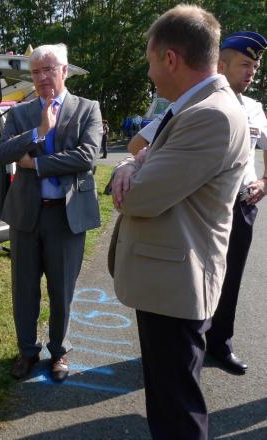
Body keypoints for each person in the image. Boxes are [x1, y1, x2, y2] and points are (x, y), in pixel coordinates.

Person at [109, 5, 250, 439]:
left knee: (177, 413)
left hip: (176, 285)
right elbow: (143, 160)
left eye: (151, 62)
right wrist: (131, 165)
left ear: (171, 58)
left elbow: (141, 196)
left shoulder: (210, 114)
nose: (150, 74)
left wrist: (126, 171)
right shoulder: (197, 107)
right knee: (167, 401)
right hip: (167, 280)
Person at [0, 44, 102, 382]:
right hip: (27, 214)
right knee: (24, 288)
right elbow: (1, 153)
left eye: (48, 70)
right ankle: (27, 351)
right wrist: (38, 132)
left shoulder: (87, 109)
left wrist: (37, 163)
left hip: (66, 217)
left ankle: (59, 352)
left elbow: (86, 156)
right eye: (36, 71)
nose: (41, 77)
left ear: (64, 71)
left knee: (62, 289)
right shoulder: (21, 114)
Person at [205, 31, 266, 375]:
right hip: (205, 206)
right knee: (196, 276)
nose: (252, 71)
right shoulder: (198, 100)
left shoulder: (256, 109)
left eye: (255, 66)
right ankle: (190, 340)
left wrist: (265, 183)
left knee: (231, 278)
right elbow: (144, 143)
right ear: (220, 64)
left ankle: (220, 343)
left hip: (241, 206)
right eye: (245, 64)